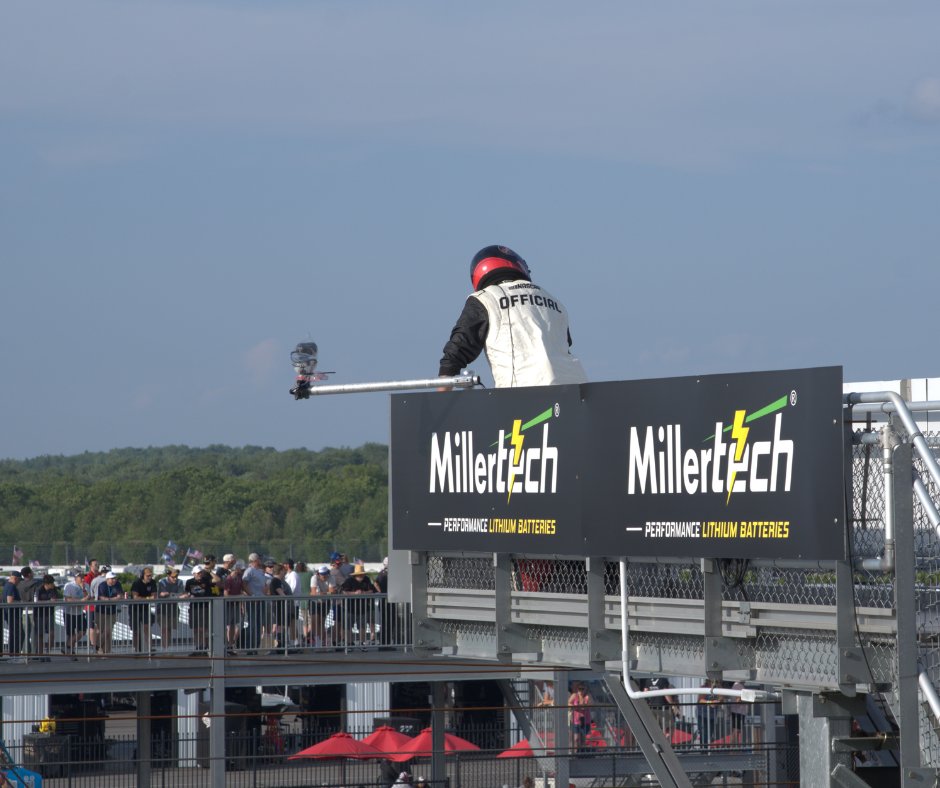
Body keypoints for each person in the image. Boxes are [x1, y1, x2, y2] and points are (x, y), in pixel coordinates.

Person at [439, 245, 587, 388]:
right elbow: (564, 346)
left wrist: (442, 395)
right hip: (577, 387)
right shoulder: (555, 302)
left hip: (525, 392)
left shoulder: (486, 298)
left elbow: (458, 348)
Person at [341, 563, 378, 647]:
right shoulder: (349, 581)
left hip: (363, 608)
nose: (361, 576)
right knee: (348, 626)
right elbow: (344, 591)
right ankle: (349, 643)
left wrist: (363, 593)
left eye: (362, 574)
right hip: (350, 608)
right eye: (359, 575)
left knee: (362, 626)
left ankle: (362, 644)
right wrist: (354, 593)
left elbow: (372, 590)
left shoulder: (367, 579)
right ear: (355, 575)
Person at [129, 566, 158, 654]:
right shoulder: (137, 583)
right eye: (148, 576)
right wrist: (148, 598)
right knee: (136, 630)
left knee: (147, 628)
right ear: (143, 575)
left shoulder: (152, 582)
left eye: (151, 575)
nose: (150, 577)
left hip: (145, 608)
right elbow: (135, 597)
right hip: (135, 608)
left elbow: (154, 596)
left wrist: (145, 598)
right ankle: (136, 649)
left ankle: (150, 648)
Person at [96, 571, 125, 654]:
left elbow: (120, 596)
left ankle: (99, 647)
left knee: (108, 631)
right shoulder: (102, 585)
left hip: (112, 611)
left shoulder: (118, 584)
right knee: (102, 631)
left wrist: (110, 600)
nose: (114, 580)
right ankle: (102, 650)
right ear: (107, 579)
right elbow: (102, 598)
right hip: (101, 611)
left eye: (115, 578)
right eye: (112, 579)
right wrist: (114, 599)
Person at [62, 570, 88, 656]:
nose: (83, 579)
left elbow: (89, 597)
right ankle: (71, 652)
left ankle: (67, 646)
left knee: (83, 631)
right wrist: (80, 601)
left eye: (84, 577)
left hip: (80, 612)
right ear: (76, 578)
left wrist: (83, 588)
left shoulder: (86, 585)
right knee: (71, 633)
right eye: (81, 577)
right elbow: (67, 599)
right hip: (69, 612)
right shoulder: (69, 585)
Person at [157, 567, 183, 650]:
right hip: (162, 608)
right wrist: (175, 595)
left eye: (176, 576)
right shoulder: (162, 582)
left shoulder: (180, 582)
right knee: (164, 629)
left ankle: (167, 647)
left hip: (174, 608)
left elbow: (181, 594)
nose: (175, 578)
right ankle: (165, 648)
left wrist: (170, 594)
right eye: (173, 577)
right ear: (168, 575)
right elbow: (161, 594)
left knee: (169, 629)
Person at [33, 574, 60, 655]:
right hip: (39, 615)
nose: (53, 584)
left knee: (51, 633)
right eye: (52, 583)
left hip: (50, 613)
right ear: (47, 584)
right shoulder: (39, 589)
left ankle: (48, 652)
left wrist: (53, 601)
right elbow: (36, 601)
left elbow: (55, 599)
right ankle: (40, 654)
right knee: (40, 634)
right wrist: (48, 602)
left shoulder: (53, 589)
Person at [2, 571, 24, 658]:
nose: (19, 582)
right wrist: (21, 602)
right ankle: (15, 654)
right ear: (16, 578)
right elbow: (10, 601)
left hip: (10, 614)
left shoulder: (7, 585)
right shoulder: (11, 586)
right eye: (19, 580)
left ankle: (13, 654)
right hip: (13, 614)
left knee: (14, 634)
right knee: (18, 634)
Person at [568, 682, 592, 752]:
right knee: (576, 738)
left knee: (583, 738)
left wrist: (584, 706)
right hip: (576, 720)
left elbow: (591, 704)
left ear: (585, 689)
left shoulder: (587, 696)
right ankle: (576, 751)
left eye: (582, 689)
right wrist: (575, 706)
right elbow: (568, 703)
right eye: (579, 689)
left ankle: (581, 752)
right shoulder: (574, 695)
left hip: (585, 720)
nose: (580, 691)